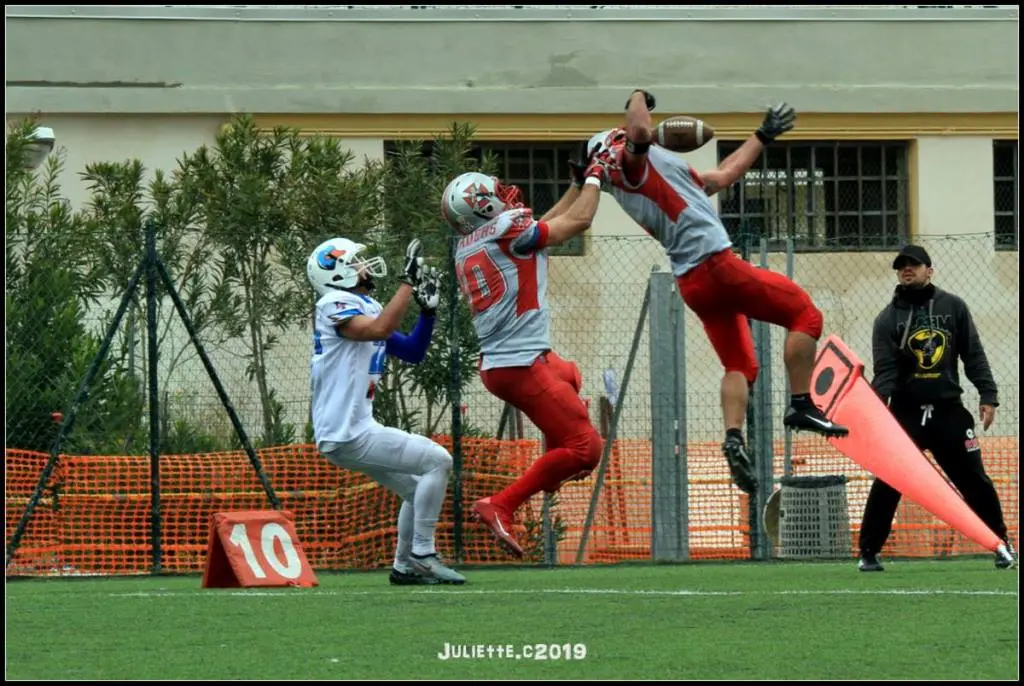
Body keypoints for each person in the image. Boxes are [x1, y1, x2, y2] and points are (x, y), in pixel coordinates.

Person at [583, 89, 848, 496]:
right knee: (805, 314)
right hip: (717, 265)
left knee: (741, 365)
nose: (626, 135)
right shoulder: (631, 169)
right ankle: (800, 404)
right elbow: (637, 127)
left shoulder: (652, 175)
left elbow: (723, 175)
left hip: (694, 284)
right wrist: (639, 94)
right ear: (612, 153)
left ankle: (733, 437)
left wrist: (762, 136)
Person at [440, 159, 610, 557]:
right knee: (587, 449)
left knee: (569, 375)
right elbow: (578, 221)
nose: (504, 193)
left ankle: (554, 466)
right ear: (481, 205)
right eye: (494, 192)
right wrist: (594, 176)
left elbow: (542, 231)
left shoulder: (479, 239)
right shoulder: (504, 231)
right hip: (518, 364)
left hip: (509, 362)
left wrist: (573, 183)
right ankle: (502, 503)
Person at [306, 235, 466, 585]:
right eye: (355, 262)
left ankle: (404, 566)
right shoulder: (333, 302)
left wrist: (428, 313)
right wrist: (407, 284)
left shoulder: (365, 305)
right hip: (347, 431)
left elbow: (411, 351)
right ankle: (422, 553)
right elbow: (380, 329)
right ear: (337, 274)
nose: (363, 266)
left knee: (417, 487)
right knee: (438, 461)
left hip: (352, 429)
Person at [857, 244, 1014, 571]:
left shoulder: (953, 307)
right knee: (889, 480)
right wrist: (873, 413)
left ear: (930, 270)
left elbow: (973, 355)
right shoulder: (887, 319)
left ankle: (1001, 544)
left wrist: (988, 394)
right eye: (902, 266)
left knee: (974, 480)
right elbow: (884, 372)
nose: (907, 269)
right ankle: (868, 553)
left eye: (914, 264)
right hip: (905, 414)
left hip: (949, 413)